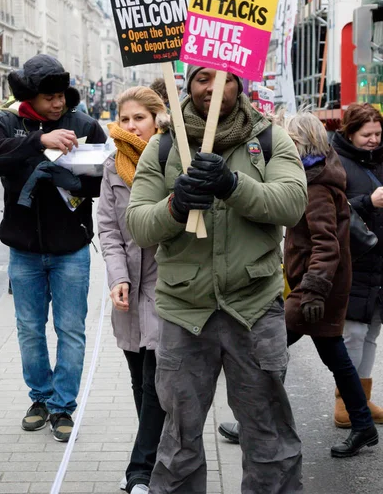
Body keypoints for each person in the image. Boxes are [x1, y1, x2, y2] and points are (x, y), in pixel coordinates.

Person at [126, 64, 308, 494]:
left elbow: (292, 204)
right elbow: (138, 224)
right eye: (203, 77)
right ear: (188, 83)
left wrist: (232, 185)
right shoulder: (164, 145)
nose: (213, 87)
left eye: (224, 77)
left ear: (239, 83)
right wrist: (174, 206)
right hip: (183, 313)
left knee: (269, 437)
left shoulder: (268, 138)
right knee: (178, 440)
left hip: (254, 309)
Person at [0, 54, 106, 442]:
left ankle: (62, 406)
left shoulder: (84, 124)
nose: (58, 104)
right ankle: (40, 396)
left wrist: (70, 179)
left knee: (70, 329)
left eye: (62, 97)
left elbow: (103, 182)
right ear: (31, 97)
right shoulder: (4, 122)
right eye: (50, 97)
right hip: (23, 250)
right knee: (30, 330)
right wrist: (39, 141)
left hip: (71, 247)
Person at [284, 111, 378, 457]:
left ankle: (259, 421)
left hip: (317, 289)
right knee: (335, 357)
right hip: (323, 286)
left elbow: (325, 244)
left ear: (299, 144)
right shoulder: (320, 174)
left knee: (270, 350)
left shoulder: (316, 186)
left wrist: (312, 290)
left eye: (287, 142)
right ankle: (363, 426)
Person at [97, 87, 168, 494]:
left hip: (164, 286)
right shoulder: (113, 166)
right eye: (124, 119)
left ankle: (140, 471)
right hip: (128, 290)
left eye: (138, 117)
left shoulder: (171, 159)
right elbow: (108, 229)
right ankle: (158, 456)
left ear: (157, 118)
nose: (129, 126)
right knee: (139, 378)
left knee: (156, 383)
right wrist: (117, 276)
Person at [332, 103, 383, 427]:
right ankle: (345, 401)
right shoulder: (336, 163)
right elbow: (330, 210)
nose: (374, 140)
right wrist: (368, 202)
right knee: (352, 334)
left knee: (371, 334)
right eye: (367, 134)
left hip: (379, 263)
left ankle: (362, 400)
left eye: (378, 133)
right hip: (354, 262)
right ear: (351, 133)